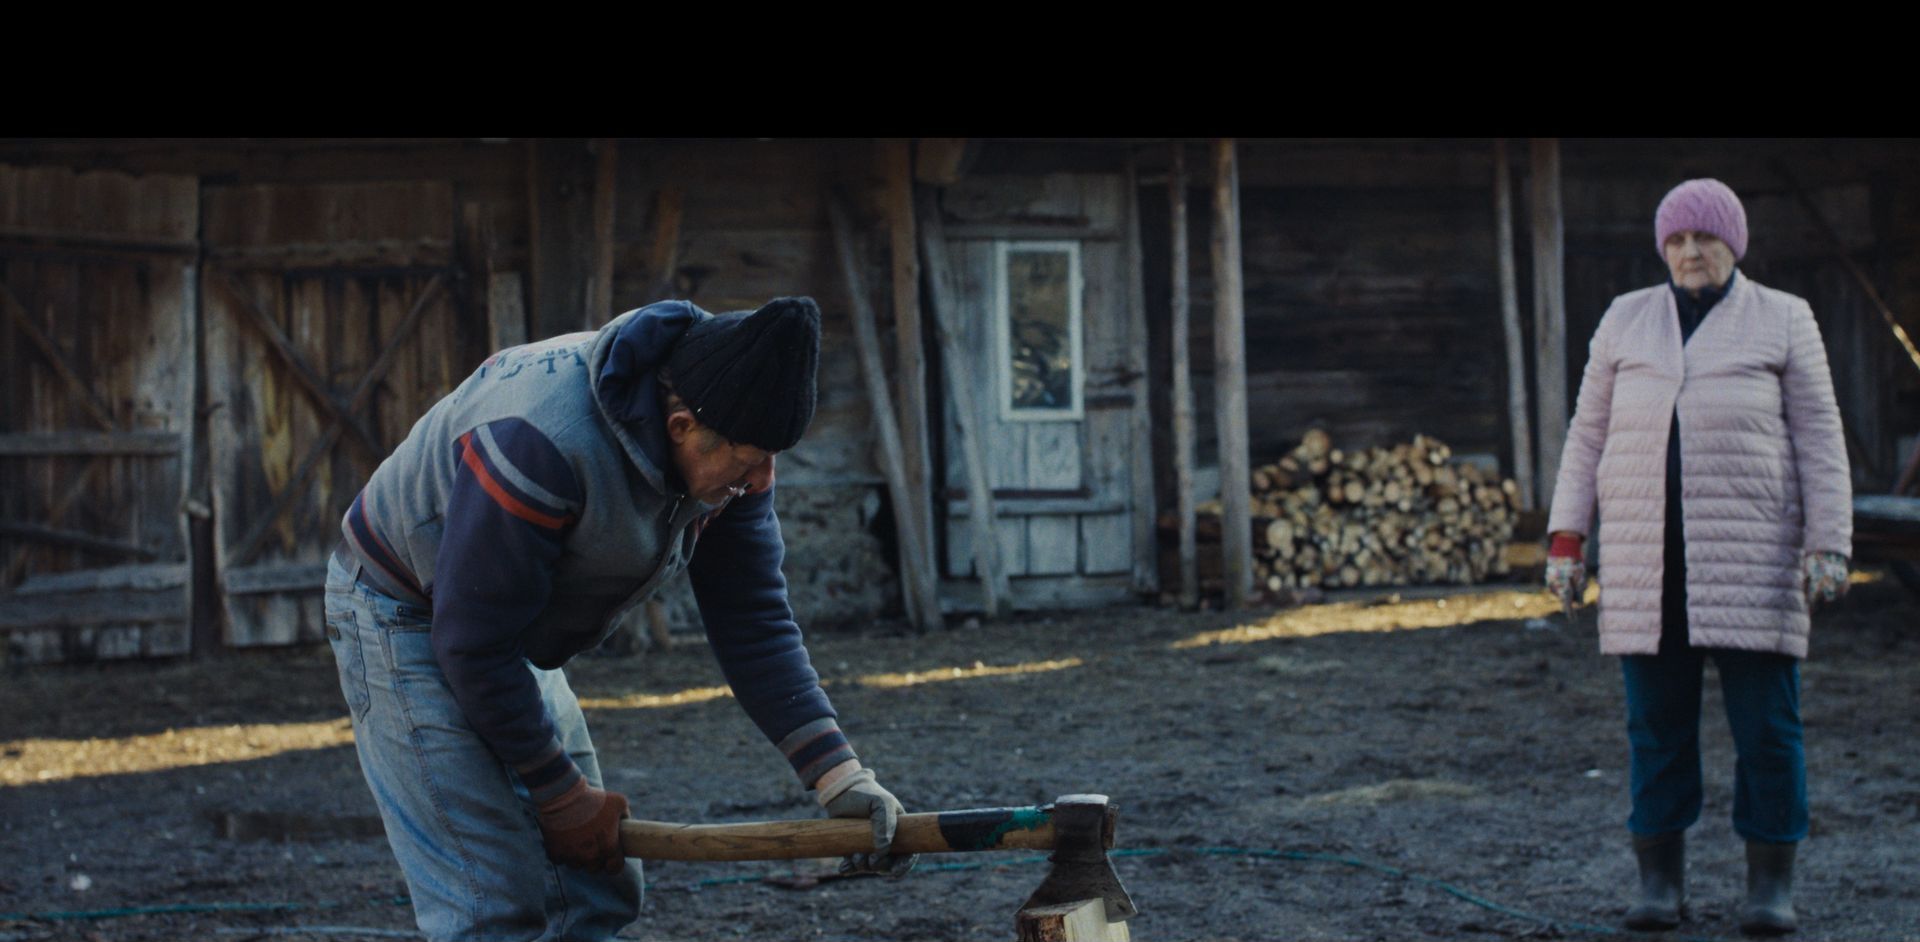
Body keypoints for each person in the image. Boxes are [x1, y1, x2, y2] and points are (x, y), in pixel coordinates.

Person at [323, 297, 915, 942]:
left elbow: (753, 620)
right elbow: (473, 644)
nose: (763, 479)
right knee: (492, 904)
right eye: (748, 462)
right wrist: (558, 794)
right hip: (403, 607)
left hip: (504, 619)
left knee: (595, 888)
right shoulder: (540, 444)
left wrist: (838, 777)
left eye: (772, 460)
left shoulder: (735, 446)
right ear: (682, 426)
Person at [1544, 179, 1851, 937]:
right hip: (1649, 568)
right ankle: (1660, 885)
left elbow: (1820, 435)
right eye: (1677, 240)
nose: (1689, 252)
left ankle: (1769, 887)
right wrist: (1565, 540)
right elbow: (1587, 436)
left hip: (1754, 561)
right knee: (1656, 729)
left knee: (1768, 732)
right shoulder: (1626, 319)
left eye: (1704, 239)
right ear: (1662, 248)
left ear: (1733, 245)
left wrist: (1829, 543)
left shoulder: (1783, 318)